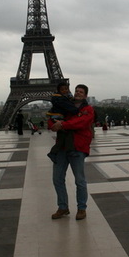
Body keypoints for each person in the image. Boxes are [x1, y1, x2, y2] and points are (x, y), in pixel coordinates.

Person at [48, 84, 94, 221]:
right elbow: (52, 119)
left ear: (85, 95)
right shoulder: (64, 105)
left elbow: (81, 123)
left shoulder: (88, 109)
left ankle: (81, 208)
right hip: (62, 147)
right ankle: (63, 207)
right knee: (57, 178)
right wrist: (54, 125)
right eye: (76, 91)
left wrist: (62, 125)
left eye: (81, 92)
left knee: (79, 180)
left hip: (77, 147)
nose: (77, 93)